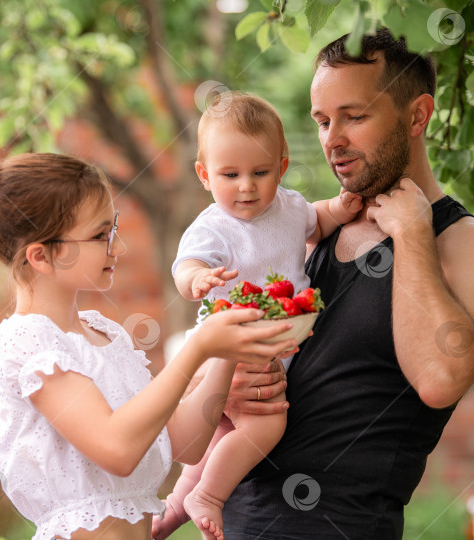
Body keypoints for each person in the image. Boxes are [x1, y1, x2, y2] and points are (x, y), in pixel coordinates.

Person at [216, 29, 474, 539]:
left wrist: (414, 232)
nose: (333, 139)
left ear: (417, 115)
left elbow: (441, 380)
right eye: (323, 121)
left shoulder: (470, 245)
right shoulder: (311, 233)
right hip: (236, 523)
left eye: (354, 117)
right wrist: (231, 387)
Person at [0, 151, 300, 540]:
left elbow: (185, 442)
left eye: (111, 229)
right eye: (99, 236)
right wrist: (198, 349)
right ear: (41, 256)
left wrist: (226, 350)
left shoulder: (105, 334)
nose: (117, 247)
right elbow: (117, 449)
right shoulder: (29, 343)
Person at [155, 93, 362, 540]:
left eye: (260, 172)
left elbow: (317, 221)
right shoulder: (213, 227)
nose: (246, 186)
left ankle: (173, 509)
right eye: (230, 175)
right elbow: (185, 266)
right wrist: (197, 280)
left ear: (282, 167)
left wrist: (341, 209)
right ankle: (207, 496)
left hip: (272, 340)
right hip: (230, 344)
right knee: (266, 421)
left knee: (221, 435)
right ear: (205, 175)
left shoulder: (288, 207)